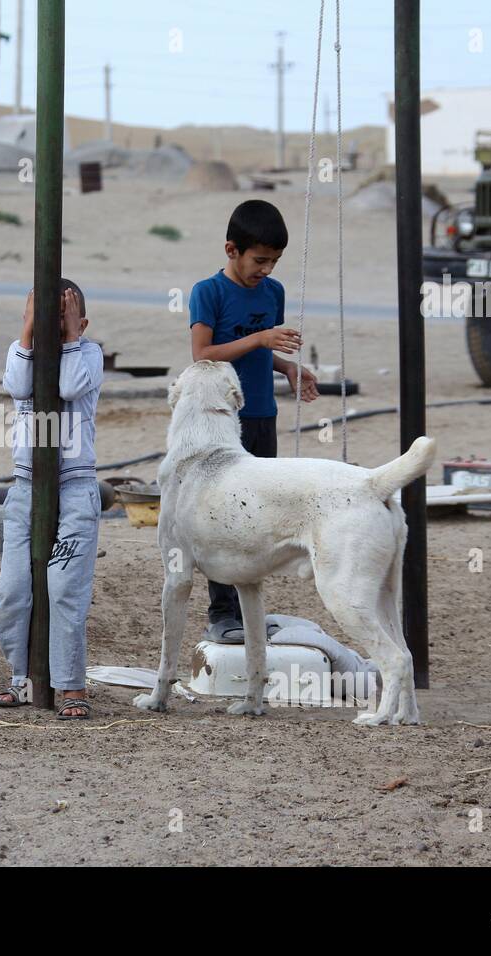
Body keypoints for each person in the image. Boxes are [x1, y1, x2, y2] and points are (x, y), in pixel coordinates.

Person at [188, 200, 318, 643]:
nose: (266, 269)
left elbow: (261, 351)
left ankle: (248, 610)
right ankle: (221, 613)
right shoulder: (208, 291)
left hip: (262, 415)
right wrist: (260, 337)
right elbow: (202, 355)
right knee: (223, 516)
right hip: (222, 424)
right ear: (231, 249)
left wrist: (288, 368)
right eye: (259, 260)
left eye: (274, 262)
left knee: (255, 517)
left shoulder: (274, 292)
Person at [0, 281, 104, 719]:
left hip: (75, 490)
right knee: (14, 591)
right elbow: (19, 386)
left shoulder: (88, 354)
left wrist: (72, 336)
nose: (49, 325)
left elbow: (72, 387)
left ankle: (71, 685)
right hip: (25, 490)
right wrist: (28, 334)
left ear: (81, 321)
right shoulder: (22, 354)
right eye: (39, 315)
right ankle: (21, 677)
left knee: (64, 589)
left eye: (61, 314)